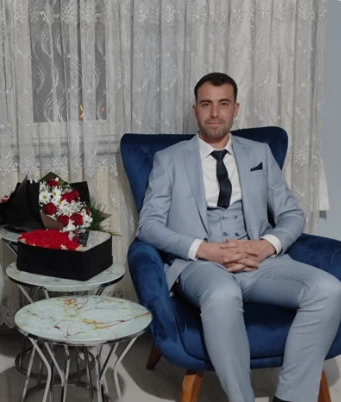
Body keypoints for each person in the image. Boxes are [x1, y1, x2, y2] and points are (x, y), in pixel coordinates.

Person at [137, 72, 341, 402]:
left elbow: (291, 214)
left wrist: (265, 246)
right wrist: (206, 251)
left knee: (328, 289)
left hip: (259, 261)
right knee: (222, 295)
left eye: (223, 104)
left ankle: (290, 397)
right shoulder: (170, 159)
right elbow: (148, 225)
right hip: (201, 265)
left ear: (235, 108)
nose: (215, 113)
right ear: (195, 110)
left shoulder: (260, 153)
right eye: (206, 104)